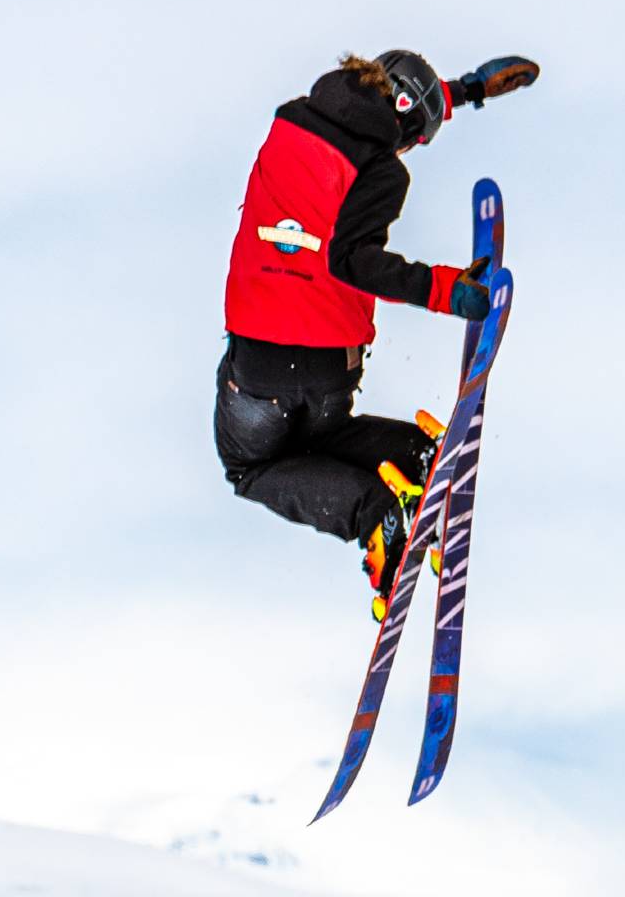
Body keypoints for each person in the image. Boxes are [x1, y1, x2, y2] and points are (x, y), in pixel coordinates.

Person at [214, 49, 539, 620]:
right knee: (319, 437)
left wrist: (463, 90)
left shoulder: (290, 119)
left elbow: (379, 105)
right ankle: (411, 457)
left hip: (260, 369)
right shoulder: (383, 171)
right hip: (328, 370)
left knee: (252, 466)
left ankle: (378, 515)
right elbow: (355, 261)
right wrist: (446, 291)